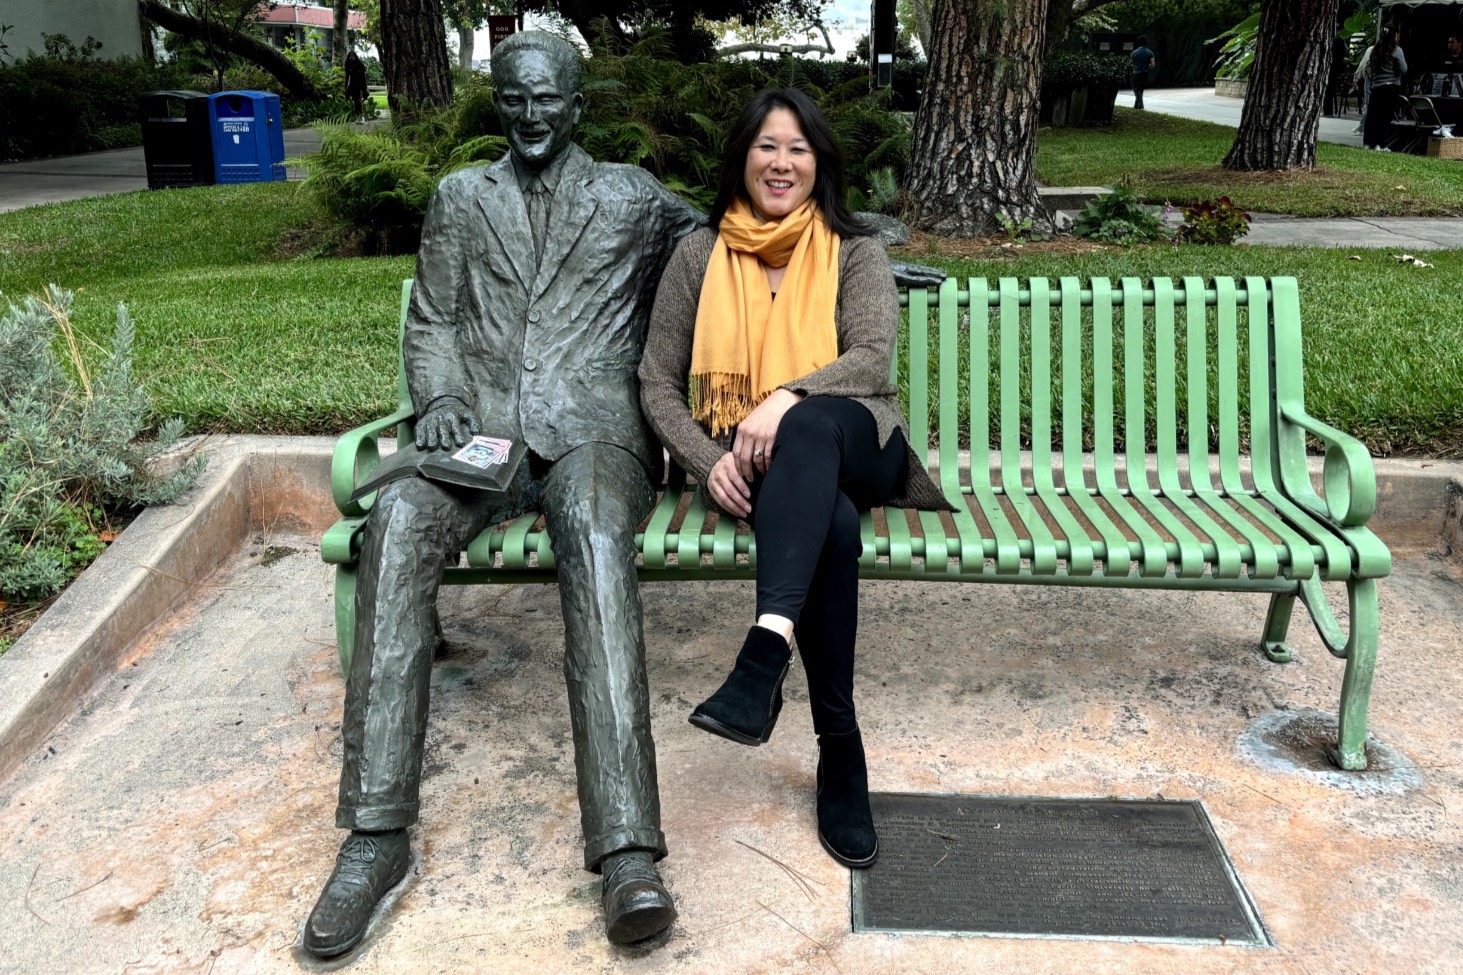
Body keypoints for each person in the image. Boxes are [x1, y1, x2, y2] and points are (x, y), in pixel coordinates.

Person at [301, 31, 705, 957]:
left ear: (576, 105)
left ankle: (628, 853)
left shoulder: (632, 196)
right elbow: (437, 317)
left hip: (596, 434)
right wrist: (439, 395)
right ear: (501, 106)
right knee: (396, 520)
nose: (529, 115)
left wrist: (849, 248)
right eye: (513, 100)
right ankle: (374, 836)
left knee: (596, 538)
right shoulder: (459, 197)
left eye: (545, 100)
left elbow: (736, 233)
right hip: (480, 434)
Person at [638, 89, 950, 871]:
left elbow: (870, 359)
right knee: (832, 529)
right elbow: (655, 384)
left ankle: (760, 657)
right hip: (756, 473)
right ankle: (839, 748)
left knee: (808, 422)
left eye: (798, 148)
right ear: (742, 157)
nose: (781, 162)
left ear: (819, 164)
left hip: (856, 440)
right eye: (767, 146)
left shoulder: (855, 249)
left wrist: (783, 395)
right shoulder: (698, 254)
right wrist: (710, 463)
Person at [1363, 26, 1407, 150]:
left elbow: (1371, 68)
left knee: (1373, 116)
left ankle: (1368, 143)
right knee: (1385, 117)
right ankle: (1380, 144)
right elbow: (1404, 69)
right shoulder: (1397, 50)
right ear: (1394, 37)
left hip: (1376, 87)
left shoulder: (1375, 50)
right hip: (1390, 87)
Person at [1131, 36, 1157, 110]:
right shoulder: (1149, 52)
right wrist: (1147, 67)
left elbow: (1130, 64)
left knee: (1136, 89)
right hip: (1145, 73)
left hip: (1135, 73)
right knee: (1141, 89)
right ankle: (1136, 106)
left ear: (1138, 43)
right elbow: (1153, 64)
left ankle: (1141, 105)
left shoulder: (1134, 53)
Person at [344, 50, 369, 124]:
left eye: (353, 56)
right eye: (350, 56)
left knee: (359, 100)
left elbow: (364, 77)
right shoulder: (348, 66)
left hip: (361, 85)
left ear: (355, 57)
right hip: (352, 85)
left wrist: (366, 87)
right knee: (355, 102)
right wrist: (345, 87)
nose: (351, 57)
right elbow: (347, 77)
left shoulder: (360, 65)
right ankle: (358, 116)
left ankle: (362, 116)